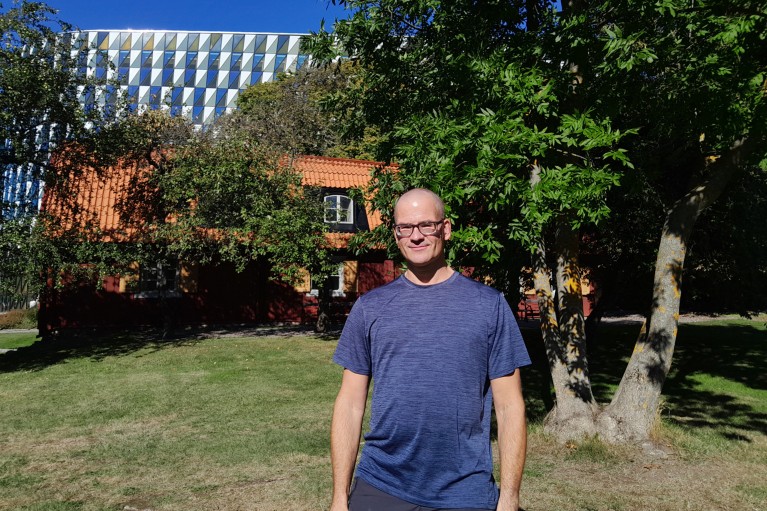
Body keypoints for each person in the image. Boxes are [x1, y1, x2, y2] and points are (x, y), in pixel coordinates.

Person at [330, 188, 531, 511]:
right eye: (405, 227)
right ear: (395, 234)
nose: (416, 236)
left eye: (426, 225)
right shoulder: (370, 308)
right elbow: (350, 405)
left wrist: (509, 498)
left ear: (446, 228)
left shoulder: (488, 306)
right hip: (382, 483)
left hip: (465, 489)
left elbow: (510, 407)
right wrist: (340, 497)